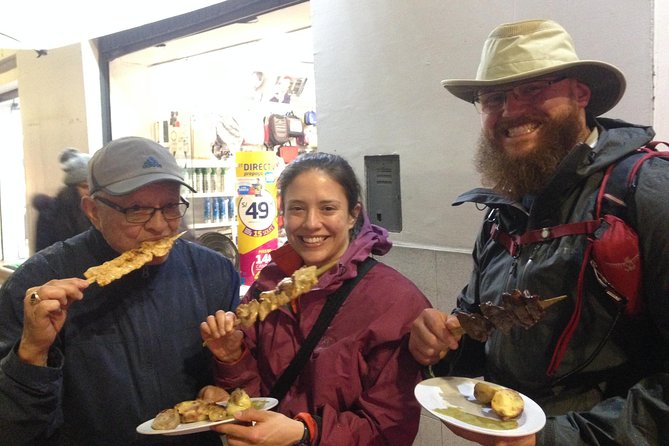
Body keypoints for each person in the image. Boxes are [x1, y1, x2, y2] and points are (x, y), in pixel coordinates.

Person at [408, 19, 669, 445]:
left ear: (581, 93)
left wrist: (552, 440)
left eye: (532, 88)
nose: (510, 111)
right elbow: (481, 334)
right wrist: (442, 344)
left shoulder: (649, 193)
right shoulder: (501, 214)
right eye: (492, 97)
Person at [0, 136, 241, 446]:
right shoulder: (39, 283)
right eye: (136, 210)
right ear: (92, 210)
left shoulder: (213, 273)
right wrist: (32, 352)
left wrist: (227, 380)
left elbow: (236, 380)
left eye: (170, 206)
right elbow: (11, 427)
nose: (159, 226)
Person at [199, 152, 431, 445]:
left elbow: (390, 429)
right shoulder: (268, 287)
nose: (310, 223)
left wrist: (306, 433)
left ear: (352, 215)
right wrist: (233, 358)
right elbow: (258, 399)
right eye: (297, 208)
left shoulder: (396, 302)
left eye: (328, 208)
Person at [32, 148, 92, 252]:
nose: (90, 192)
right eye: (85, 186)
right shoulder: (50, 214)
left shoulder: (99, 211)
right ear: (72, 188)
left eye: (94, 186)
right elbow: (42, 255)